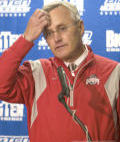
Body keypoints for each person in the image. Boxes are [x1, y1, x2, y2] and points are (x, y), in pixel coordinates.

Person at [0, 1, 120, 142]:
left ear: (80, 27)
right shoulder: (36, 72)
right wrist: (26, 39)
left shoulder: (114, 72)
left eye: (62, 28)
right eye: (49, 33)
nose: (56, 38)